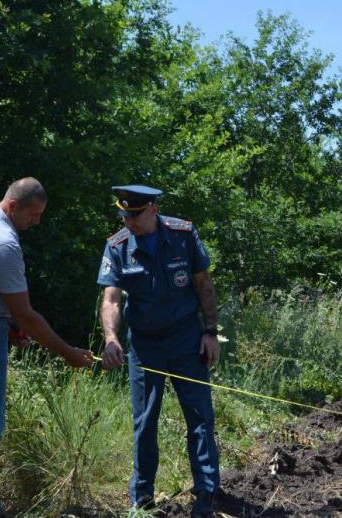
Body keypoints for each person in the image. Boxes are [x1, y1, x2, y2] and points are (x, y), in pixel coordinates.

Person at [0, 177, 94, 518]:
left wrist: (8, 326)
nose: (36, 222)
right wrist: (68, 352)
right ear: (13, 206)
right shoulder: (3, 242)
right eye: (33, 214)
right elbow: (25, 313)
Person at [97, 185, 221, 517]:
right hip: (145, 345)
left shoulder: (183, 234)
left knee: (199, 417)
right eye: (124, 216)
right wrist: (111, 338)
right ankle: (141, 500)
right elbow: (111, 299)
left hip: (186, 340)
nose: (129, 222)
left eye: (135, 215)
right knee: (145, 421)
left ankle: (207, 493)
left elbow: (203, 284)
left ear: (153, 209)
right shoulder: (118, 246)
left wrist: (210, 332)